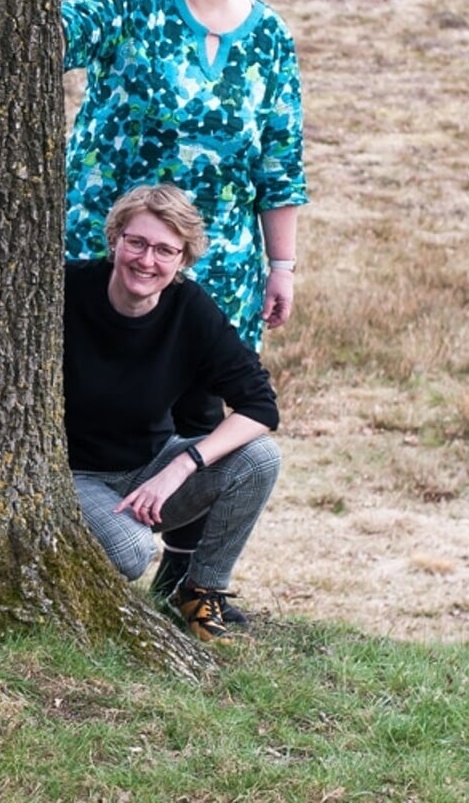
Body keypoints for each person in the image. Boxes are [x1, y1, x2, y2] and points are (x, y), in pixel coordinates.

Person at [62, 0, 306, 596]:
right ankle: (92, 538)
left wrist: (281, 263)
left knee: (200, 421)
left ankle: (186, 588)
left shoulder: (268, 35)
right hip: (110, 257)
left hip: (219, 268)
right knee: (96, 404)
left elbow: (280, 160)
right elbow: (48, 38)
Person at [64, 185, 282, 641]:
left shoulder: (190, 308)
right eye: (137, 243)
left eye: (165, 250)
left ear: (183, 259)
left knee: (260, 457)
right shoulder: (67, 291)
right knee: (131, 552)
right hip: (76, 476)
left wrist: (185, 464)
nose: (147, 260)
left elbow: (260, 406)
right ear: (115, 240)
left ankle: (200, 590)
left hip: (152, 471)